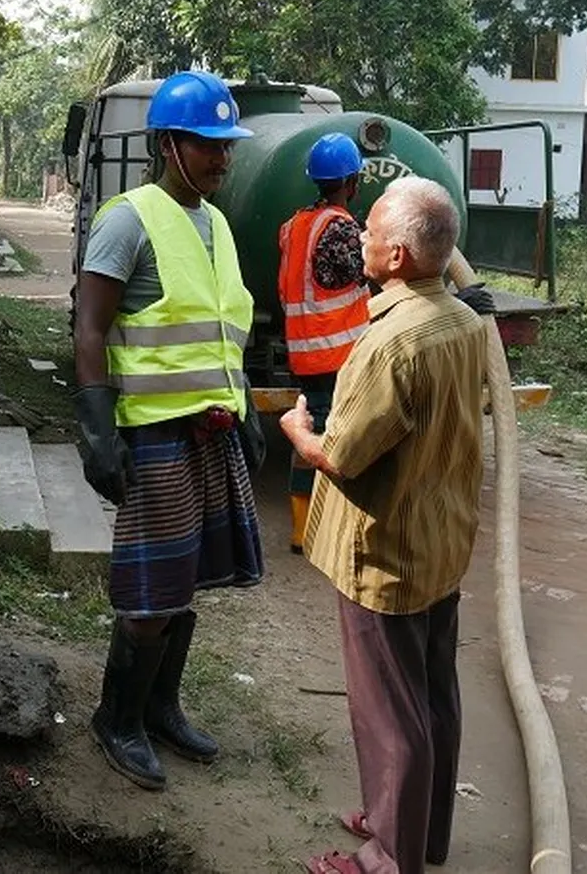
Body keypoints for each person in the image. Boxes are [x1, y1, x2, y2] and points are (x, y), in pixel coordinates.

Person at [280, 175, 489, 873]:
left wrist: (297, 432)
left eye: (369, 230)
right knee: (432, 697)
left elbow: (340, 456)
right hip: (440, 540)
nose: (358, 237)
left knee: (389, 711)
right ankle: (417, 829)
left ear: (396, 255)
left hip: (387, 552)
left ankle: (385, 858)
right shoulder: (462, 320)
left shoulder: (391, 341)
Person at [73, 69, 268, 792]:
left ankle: (160, 707)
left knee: (184, 582)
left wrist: (243, 403)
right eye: (207, 143)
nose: (222, 157)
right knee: (151, 592)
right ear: (167, 143)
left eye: (228, 145)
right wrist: (97, 427)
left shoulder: (216, 223)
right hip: (153, 432)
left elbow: (224, 329)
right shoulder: (128, 219)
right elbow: (90, 329)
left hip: (211, 430)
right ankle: (115, 719)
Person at [276, 132, 371, 554]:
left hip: (305, 353)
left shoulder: (295, 226)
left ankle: (301, 529)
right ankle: (332, 529)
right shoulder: (342, 230)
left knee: (309, 434)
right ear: (352, 182)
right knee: (342, 441)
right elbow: (373, 273)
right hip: (340, 355)